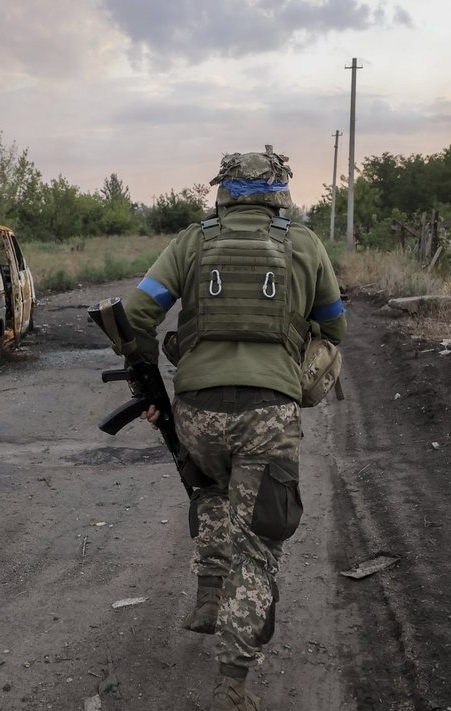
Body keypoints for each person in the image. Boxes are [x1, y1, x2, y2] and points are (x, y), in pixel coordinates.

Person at [124, 146, 347, 710]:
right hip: (268, 415)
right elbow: (335, 326)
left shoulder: (191, 241)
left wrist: (150, 382)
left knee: (212, 490)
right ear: (280, 193)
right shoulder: (304, 243)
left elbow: (138, 312)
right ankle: (232, 684)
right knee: (258, 545)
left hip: (198, 411)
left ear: (222, 191)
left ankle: (206, 596)